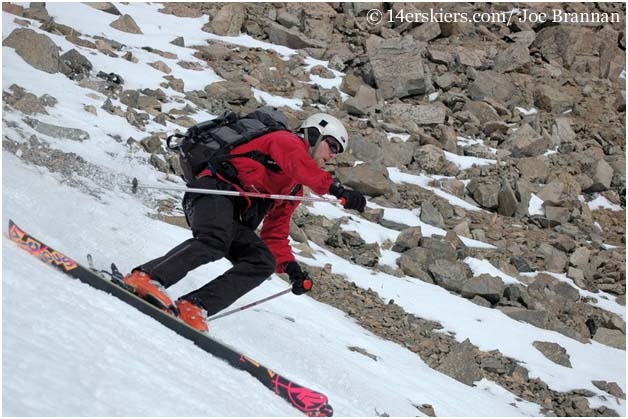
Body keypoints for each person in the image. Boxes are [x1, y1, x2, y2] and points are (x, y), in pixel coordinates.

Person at [122, 113, 367, 332]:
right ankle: (146, 277)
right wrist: (336, 189)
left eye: (337, 151)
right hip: (211, 193)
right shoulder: (285, 141)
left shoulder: (293, 188)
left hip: (233, 217)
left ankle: (195, 305)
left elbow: (275, 234)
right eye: (331, 145)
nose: (332, 154)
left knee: (262, 261)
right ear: (314, 134)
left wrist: (291, 269)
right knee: (215, 240)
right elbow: (298, 165)